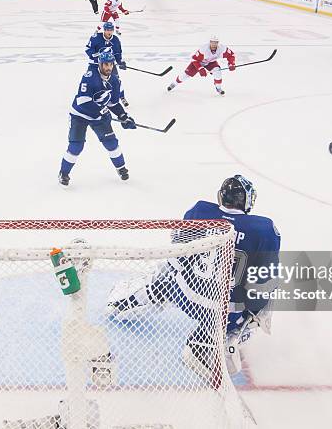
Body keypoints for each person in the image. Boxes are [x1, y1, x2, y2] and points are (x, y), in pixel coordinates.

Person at [107, 175, 281, 379]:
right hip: (223, 311)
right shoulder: (264, 229)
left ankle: (125, 301)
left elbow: (177, 256)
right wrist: (250, 311)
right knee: (272, 284)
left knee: (169, 271)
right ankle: (218, 337)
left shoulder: (200, 211)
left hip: (185, 296)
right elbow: (262, 284)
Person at [58, 50, 136, 186]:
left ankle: (121, 168)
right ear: (100, 64)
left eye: (111, 64)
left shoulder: (114, 80)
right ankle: (63, 173)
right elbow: (83, 101)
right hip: (80, 115)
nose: (109, 67)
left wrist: (123, 116)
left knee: (111, 144)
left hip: (99, 116)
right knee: (76, 146)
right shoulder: (90, 76)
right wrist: (101, 111)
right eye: (105, 64)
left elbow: (113, 103)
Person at [167, 35, 236, 96]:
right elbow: (194, 59)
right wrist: (200, 69)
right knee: (185, 76)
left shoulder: (222, 48)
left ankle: (218, 88)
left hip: (211, 62)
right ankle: (174, 83)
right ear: (210, 42)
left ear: (218, 43)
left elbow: (231, 55)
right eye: (212, 42)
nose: (214, 44)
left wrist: (231, 64)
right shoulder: (204, 49)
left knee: (217, 72)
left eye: (216, 42)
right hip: (198, 62)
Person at [85, 21, 129, 107]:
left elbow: (117, 53)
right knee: (90, 80)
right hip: (94, 64)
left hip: (109, 65)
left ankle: (122, 97)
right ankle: (88, 97)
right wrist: (95, 55)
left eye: (111, 30)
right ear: (104, 30)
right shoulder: (95, 37)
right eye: (107, 30)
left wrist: (120, 62)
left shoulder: (115, 40)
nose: (109, 32)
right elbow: (88, 49)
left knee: (116, 81)